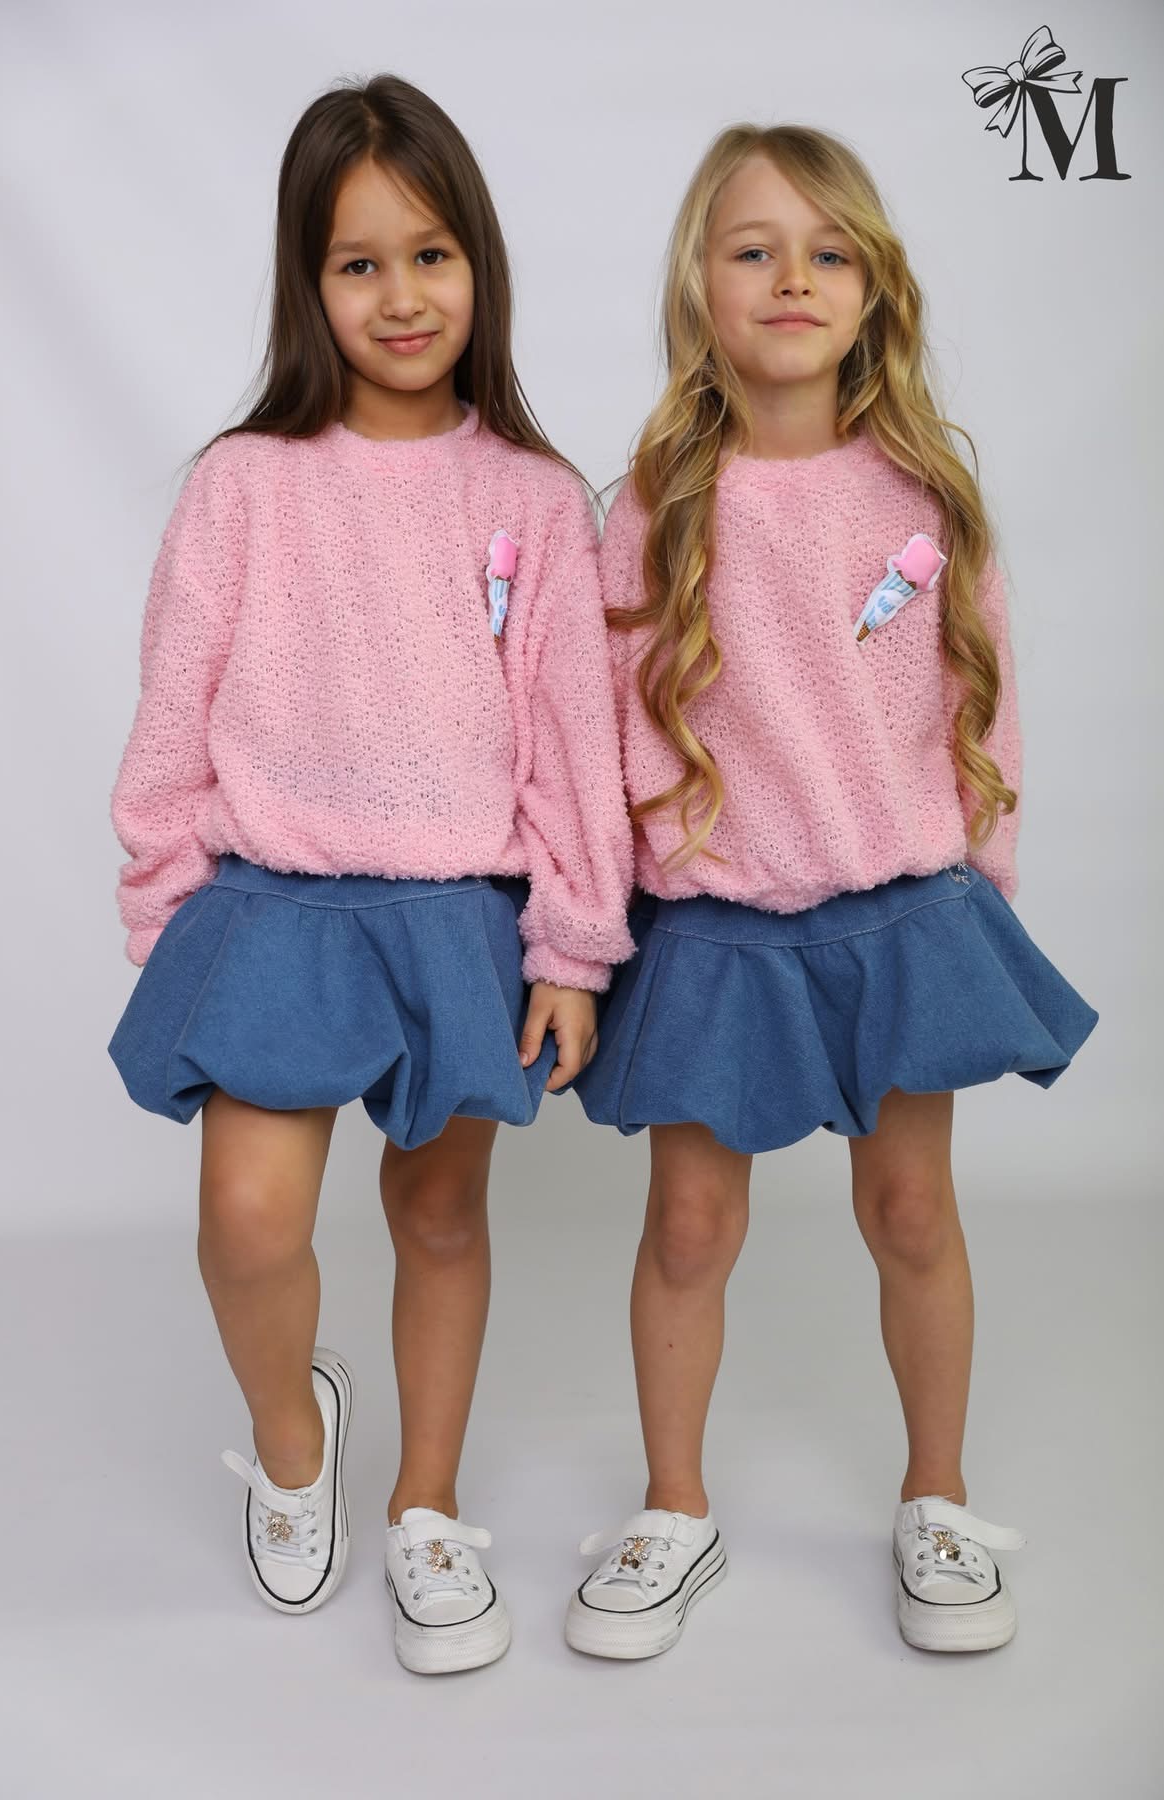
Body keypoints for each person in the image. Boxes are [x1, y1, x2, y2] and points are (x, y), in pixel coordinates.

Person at [107, 75, 633, 1675]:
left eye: (429, 255)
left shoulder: (533, 498)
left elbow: (573, 740)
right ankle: (295, 1442)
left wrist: (571, 945)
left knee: (440, 1212)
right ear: (306, 282)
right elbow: (173, 706)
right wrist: (166, 901)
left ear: (478, 264)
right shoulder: (243, 483)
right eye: (357, 264)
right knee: (249, 1218)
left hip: (455, 912)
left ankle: (427, 1507)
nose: (400, 296)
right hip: (276, 904)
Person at [568, 123, 1097, 1661]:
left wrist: (980, 895)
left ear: (872, 291)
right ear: (700, 286)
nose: (790, 277)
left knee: (911, 1208)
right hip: (717, 922)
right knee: (687, 1225)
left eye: (826, 251)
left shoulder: (921, 497)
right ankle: (674, 1510)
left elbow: (979, 703)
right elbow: (601, 734)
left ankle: (936, 1498)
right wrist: (590, 936)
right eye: (753, 249)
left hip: (898, 908)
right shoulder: (650, 505)